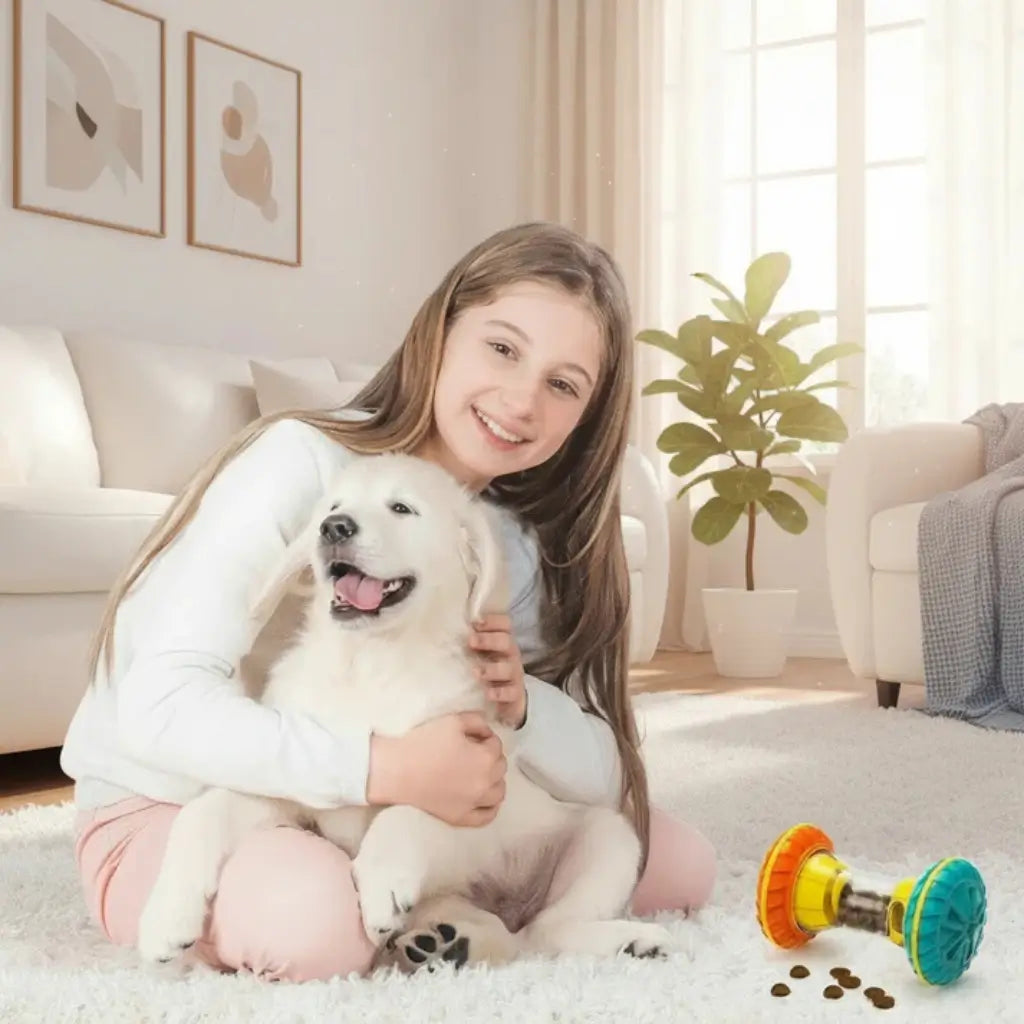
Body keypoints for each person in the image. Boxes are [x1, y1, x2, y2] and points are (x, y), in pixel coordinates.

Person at [60, 221, 717, 982]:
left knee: (676, 863)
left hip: (395, 820)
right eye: (502, 348)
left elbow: (585, 773)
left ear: (587, 417)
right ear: (440, 331)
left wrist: (523, 708)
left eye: (562, 384)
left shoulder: (506, 545)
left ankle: (452, 918)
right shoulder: (297, 463)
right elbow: (160, 707)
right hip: (170, 801)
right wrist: (384, 769)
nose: (520, 399)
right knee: (314, 928)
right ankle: (409, 911)